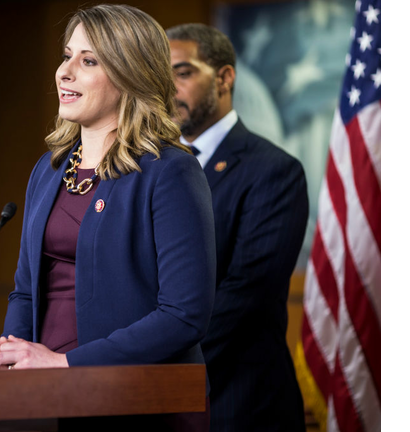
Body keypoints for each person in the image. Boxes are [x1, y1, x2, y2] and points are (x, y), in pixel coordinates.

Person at [0, 5, 215, 430]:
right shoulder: (49, 168)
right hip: (46, 399)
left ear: (131, 75)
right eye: (67, 55)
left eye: (88, 61)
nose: (64, 72)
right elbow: (25, 292)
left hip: (135, 401)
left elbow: (184, 315)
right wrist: (11, 351)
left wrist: (66, 363)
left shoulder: (170, 171)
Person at [166, 23, 308, 431]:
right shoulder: (150, 169)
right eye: (162, 76)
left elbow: (247, 295)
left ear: (225, 77)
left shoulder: (274, 171)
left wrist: (155, 356)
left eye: (183, 72)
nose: (169, 88)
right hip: (158, 399)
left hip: (241, 404)